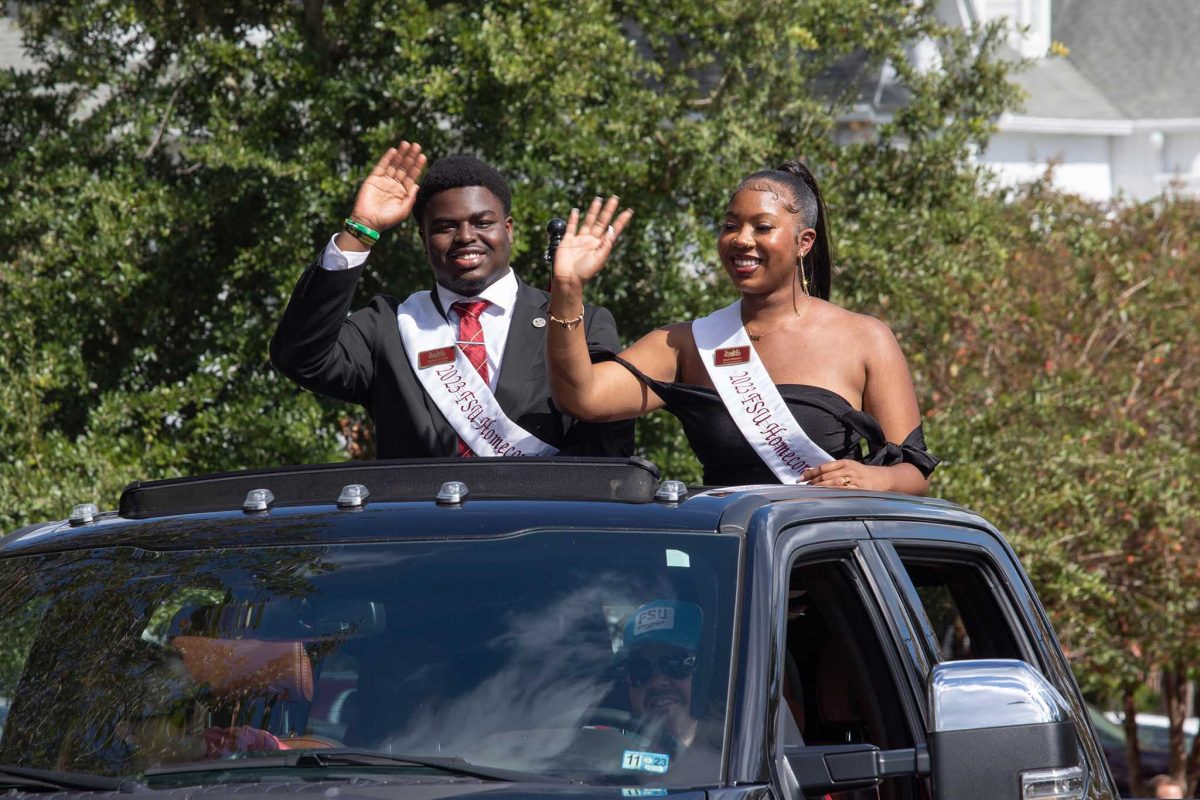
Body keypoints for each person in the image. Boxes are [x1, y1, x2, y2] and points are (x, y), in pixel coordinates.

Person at [544, 162, 938, 490]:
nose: (741, 240)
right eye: (731, 225)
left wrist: (870, 478)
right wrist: (567, 287)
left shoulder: (865, 338)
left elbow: (914, 472)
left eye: (761, 227)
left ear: (805, 242)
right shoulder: (686, 344)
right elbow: (582, 397)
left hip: (827, 562)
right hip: (731, 565)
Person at [271, 142, 633, 459]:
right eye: (445, 227)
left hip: (538, 530)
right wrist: (360, 229)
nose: (465, 236)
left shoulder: (577, 322)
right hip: (423, 534)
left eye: (482, 222)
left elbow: (606, 448)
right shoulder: (388, 326)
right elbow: (300, 357)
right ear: (423, 238)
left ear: (507, 229)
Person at [613, 600, 703, 755]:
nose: (656, 682)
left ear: (707, 673)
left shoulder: (737, 757)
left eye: (676, 664)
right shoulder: (604, 761)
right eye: (639, 669)